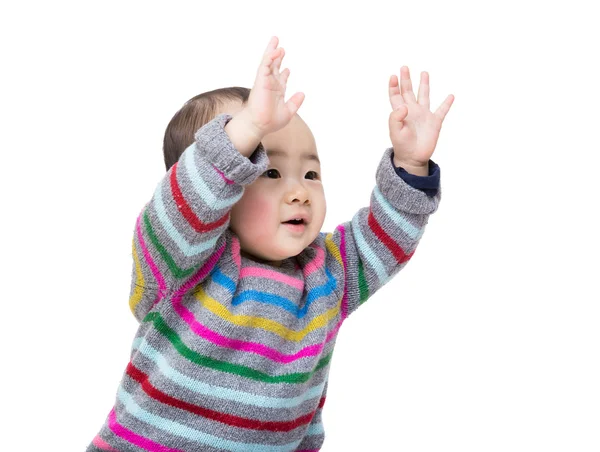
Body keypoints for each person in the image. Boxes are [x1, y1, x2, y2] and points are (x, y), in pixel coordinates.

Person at [87, 36, 454, 451]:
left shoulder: (327, 275)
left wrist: (410, 165)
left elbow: (386, 236)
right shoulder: (181, 261)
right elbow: (185, 203)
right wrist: (247, 130)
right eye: (271, 173)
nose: (299, 192)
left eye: (311, 175)